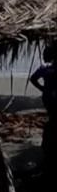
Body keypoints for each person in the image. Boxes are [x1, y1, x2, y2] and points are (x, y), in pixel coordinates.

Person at [30, 41, 56, 173]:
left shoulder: (45, 68)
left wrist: (43, 88)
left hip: (48, 98)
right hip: (51, 99)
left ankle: (47, 150)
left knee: (51, 121)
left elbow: (33, 78)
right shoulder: (47, 68)